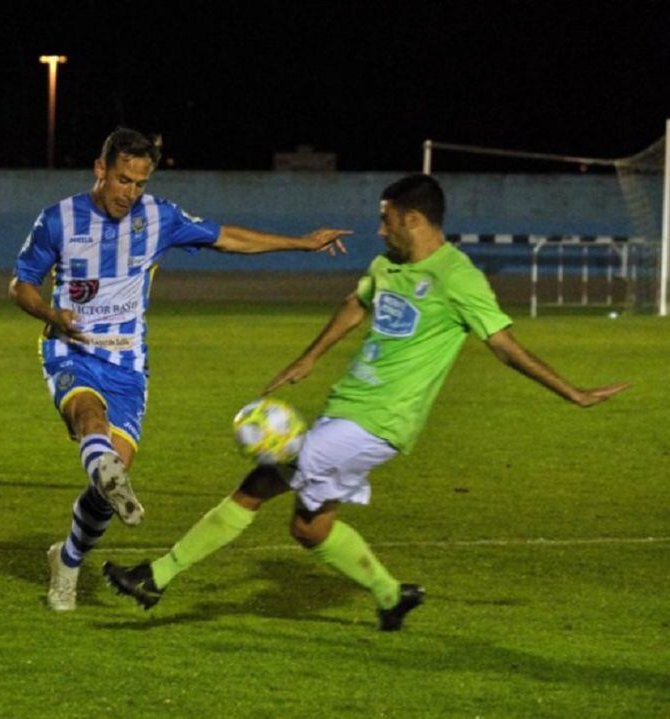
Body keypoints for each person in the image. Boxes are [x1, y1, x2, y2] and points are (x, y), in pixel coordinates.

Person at [103, 173, 629, 630]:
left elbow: (506, 347)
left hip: (382, 424)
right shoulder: (386, 267)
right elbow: (354, 306)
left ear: (416, 220)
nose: (380, 230)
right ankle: (392, 596)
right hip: (346, 408)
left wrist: (573, 393)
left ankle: (157, 576)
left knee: (261, 481)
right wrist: (308, 359)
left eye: (388, 220)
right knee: (309, 529)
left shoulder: (457, 277)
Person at [10, 127, 351, 611]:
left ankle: (66, 559)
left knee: (108, 486)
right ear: (100, 170)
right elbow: (21, 285)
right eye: (123, 180)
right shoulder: (57, 221)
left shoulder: (159, 218)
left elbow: (226, 237)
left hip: (128, 365)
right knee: (90, 419)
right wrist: (50, 313)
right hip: (71, 351)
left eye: (139, 184)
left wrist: (301, 243)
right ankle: (102, 472)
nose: (130, 193)